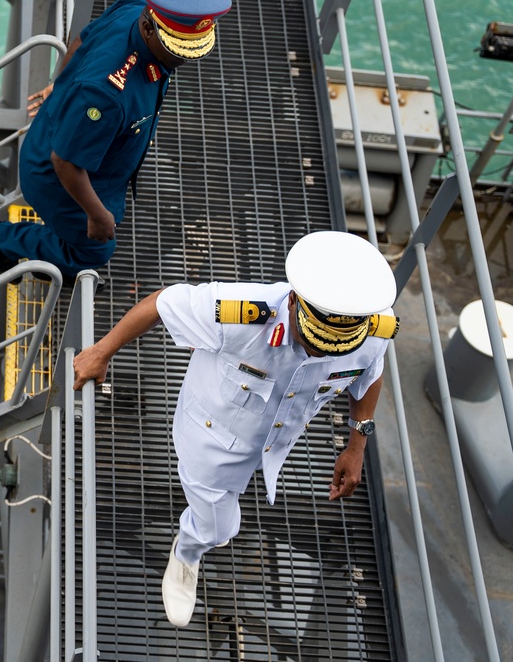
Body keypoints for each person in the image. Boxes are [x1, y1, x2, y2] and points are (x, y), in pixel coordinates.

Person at [72, 231, 400, 627]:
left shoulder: (368, 334)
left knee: (227, 517)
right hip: (211, 440)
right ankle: (189, 550)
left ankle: (209, 530)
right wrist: (101, 351)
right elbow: (162, 303)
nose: (319, 355)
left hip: (276, 439)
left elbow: (369, 375)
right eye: (312, 344)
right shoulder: (239, 313)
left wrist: (356, 445)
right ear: (293, 302)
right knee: (219, 525)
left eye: (332, 351)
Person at [0, 0, 231, 280]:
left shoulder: (137, 8)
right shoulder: (106, 94)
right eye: (177, 50)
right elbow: (65, 162)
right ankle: (2, 239)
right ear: (149, 29)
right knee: (95, 249)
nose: (183, 60)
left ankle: (54, 260)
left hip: (98, 163)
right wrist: (97, 216)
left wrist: (62, 82)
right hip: (56, 176)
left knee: (89, 231)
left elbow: (81, 42)